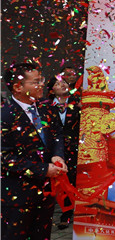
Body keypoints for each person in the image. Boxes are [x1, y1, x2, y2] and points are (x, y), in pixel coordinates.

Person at [2, 62, 71, 240]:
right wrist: (43, 169)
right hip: (16, 194)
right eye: (36, 81)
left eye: (41, 80)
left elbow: (58, 134)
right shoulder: (4, 115)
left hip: (45, 190)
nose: (42, 85)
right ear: (18, 87)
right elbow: (5, 158)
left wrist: (58, 155)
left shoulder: (45, 109)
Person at [45, 72, 81, 229]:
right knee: (57, 180)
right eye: (58, 83)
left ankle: (73, 211)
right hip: (53, 149)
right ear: (51, 90)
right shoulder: (45, 106)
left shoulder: (77, 103)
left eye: (64, 82)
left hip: (74, 148)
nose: (62, 85)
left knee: (73, 178)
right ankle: (62, 212)